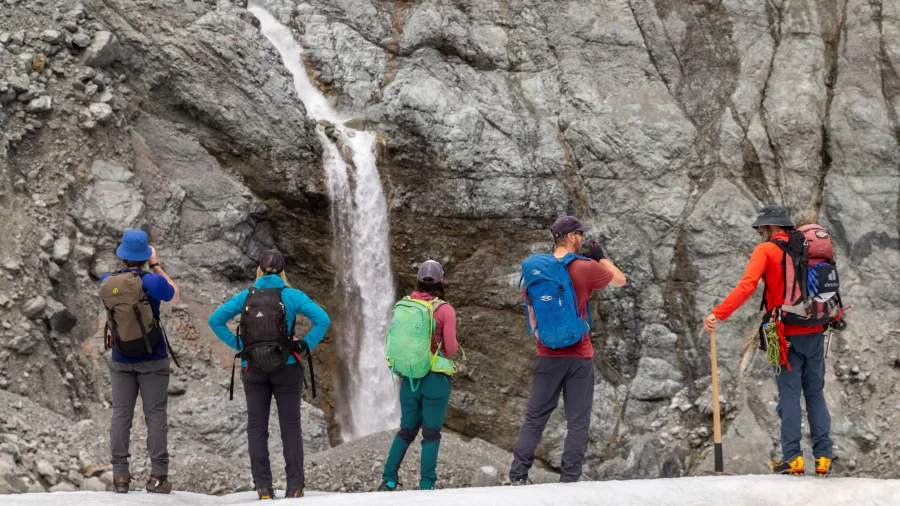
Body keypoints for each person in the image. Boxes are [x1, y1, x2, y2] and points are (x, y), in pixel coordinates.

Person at [703, 205, 834, 477]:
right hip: (815, 330)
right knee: (815, 394)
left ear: (771, 228)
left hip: (784, 336)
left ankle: (793, 459)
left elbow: (747, 285)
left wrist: (718, 313)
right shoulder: (808, 249)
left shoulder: (766, 250)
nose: (759, 233)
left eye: (761, 228)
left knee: (789, 397)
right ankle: (823, 459)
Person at [509, 216, 627, 485]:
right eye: (581, 235)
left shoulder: (536, 270)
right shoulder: (585, 267)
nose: (583, 239)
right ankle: (569, 479)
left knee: (535, 417)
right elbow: (621, 280)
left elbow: (532, 313)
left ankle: (518, 476)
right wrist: (601, 258)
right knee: (577, 421)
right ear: (572, 237)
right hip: (579, 356)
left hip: (546, 355)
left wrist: (544, 338)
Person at [208, 249, 330, 500]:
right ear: (283, 271)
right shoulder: (292, 295)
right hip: (286, 368)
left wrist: (240, 346)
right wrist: (304, 344)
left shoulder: (246, 296)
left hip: (253, 370)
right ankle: (295, 487)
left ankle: (263, 488)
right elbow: (323, 319)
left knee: (256, 427)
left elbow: (215, 320)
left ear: (259, 271)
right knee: (291, 427)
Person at [100, 229, 180, 494]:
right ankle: (158, 477)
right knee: (155, 415)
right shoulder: (152, 282)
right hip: (153, 358)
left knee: (121, 415)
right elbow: (173, 293)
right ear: (145, 256)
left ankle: (120, 477)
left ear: (122, 256)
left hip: (121, 358)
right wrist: (156, 265)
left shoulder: (106, 281)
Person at [379, 260, 460, 491]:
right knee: (431, 434)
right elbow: (452, 349)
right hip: (435, 380)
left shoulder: (405, 305)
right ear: (441, 281)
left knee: (406, 430)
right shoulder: (445, 310)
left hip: (409, 378)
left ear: (417, 280)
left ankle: (388, 479)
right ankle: (426, 484)